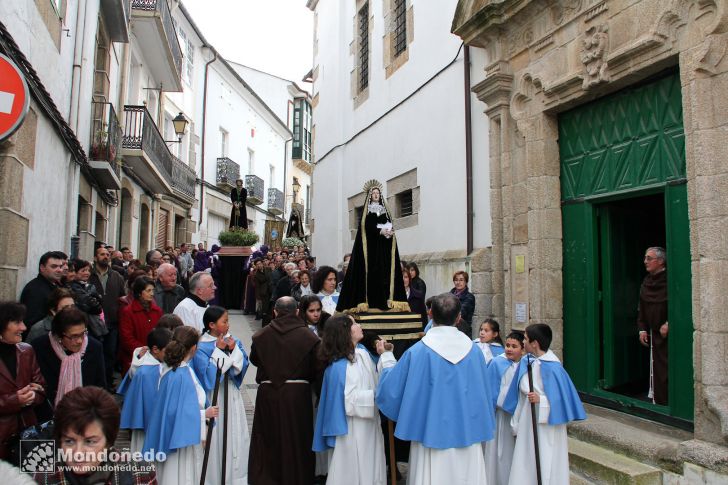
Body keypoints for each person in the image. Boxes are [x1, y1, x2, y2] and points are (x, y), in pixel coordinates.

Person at [375, 293, 496, 484]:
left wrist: (386, 357)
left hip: (429, 434)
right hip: (467, 432)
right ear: (458, 318)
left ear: (430, 314)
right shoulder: (474, 352)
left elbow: (392, 389)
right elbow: (483, 395)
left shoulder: (418, 351)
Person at [313, 314, 395, 484]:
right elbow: (349, 401)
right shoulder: (340, 367)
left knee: (370, 468)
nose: (359, 325)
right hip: (352, 429)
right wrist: (377, 397)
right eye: (354, 323)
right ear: (345, 332)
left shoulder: (362, 352)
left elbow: (377, 378)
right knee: (354, 471)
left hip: (370, 424)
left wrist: (384, 355)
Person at [249, 297, 322, 485]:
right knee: (297, 438)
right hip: (297, 395)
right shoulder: (309, 337)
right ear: (297, 311)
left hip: (269, 392)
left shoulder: (261, 335)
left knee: (268, 438)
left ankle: (266, 478)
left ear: (275, 312)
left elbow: (255, 359)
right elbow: (317, 366)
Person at [506, 323, 586, 485]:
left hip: (546, 425)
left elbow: (562, 401)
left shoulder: (554, 367)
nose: (524, 343)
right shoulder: (527, 362)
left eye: (526, 339)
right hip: (528, 419)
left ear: (535, 343)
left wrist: (541, 400)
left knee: (545, 457)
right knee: (526, 458)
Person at [34, 386, 157, 484]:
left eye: (90, 442)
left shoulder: (138, 473)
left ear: (109, 441)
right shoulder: (45, 478)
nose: (78, 453)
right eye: (69, 441)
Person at [144, 326, 219, 485]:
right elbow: (178, 412)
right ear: (194, 348)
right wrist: (204, 414)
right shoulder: (183, 374)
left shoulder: (169, 369)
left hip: (171, 433)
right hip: (181, 441)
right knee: (181, 475)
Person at [192, 306, 250, 485]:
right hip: (214, 396)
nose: (228, 324)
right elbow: (206, 375)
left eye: (228, 321)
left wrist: (232, 351)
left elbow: (242, 364)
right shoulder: (201, 346)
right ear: (211, 325)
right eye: (224, 321)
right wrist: (219, 352)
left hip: (231, 393)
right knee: (216, 438)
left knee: (234, 434)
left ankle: (235, 478)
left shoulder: (233, 340)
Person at [336, 181, 409, 313]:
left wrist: (389, 232)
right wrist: (379, 231)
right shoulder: (367, 211)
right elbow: (366, 227)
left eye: (378, 193)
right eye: (374, 193)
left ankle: (384, 301)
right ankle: (369, 302)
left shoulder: (383, 211)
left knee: (383, 275)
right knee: (370, 275)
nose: (376, 195)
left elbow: (388, 224)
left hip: (382, 250)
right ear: (370, 196)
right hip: (370, 251)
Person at [31, 307, 106, 407]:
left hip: (86, 411)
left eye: (83, 334)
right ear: (59, 335)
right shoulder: (39, 347)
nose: (80, 341)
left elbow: (100, 385)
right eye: (74, 336)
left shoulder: (94, 347)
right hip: (49, 411)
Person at [0, 302, 46, 461]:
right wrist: (15, 400)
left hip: (27, 436)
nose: (24, 327)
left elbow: (41, 386)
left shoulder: (27, 350)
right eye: (17, 322)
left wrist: (34, 394)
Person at [118, 326, 172, 454]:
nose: (171, 354)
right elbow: (148, 404)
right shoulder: (146, 372)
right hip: (149, 426)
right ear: (155, 350)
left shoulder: (155, 364)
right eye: (168, 350)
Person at [484, 331, 525, 485]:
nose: (509, 349)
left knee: (512, 452)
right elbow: (489, 388)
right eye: (507, 345)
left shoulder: (525, 365)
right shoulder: (496, 363)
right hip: (498, 414)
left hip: (516, 415)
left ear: (522, 349)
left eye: (514, 346)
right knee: (495, 451)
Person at [88, 246, 126, 388]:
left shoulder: (116, 276)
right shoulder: (89, 275)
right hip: (94, 323)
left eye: (107, 254)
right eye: (102, 254)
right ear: (95, 257)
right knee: (95, 354)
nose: (106, 256)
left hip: (112, 322)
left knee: (110, 354)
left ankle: (108, 382)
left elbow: (122, 298)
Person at [637, 246, 669, 405]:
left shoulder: (670, 280)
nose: (645, 262)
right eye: (645, 258)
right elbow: (642, 307)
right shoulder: (647, 281)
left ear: (661, 261)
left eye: (649, 258)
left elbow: (679, 303)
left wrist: (670, 323)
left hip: (667, 334)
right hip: (652, 332)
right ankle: (657, 400)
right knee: (655, 370)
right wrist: (642, 328)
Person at [119, 276, 163, 374]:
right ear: (139, 293)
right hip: (136, 358)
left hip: (155, 358)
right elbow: (127, 338)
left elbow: (161, 333)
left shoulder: (157, 311)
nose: (152, 293)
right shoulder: (128, 312)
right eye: (148, 290)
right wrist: (145, 350)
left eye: (153, 290)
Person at [20, 251, 66, 328]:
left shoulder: (57, 285)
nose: (60, 270)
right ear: (42, 268)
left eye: (60, 266)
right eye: (54, 266)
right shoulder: (35, 290)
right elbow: (33, 323)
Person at [450, 270, 476, 337]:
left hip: (463, 330)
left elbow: (462, 312)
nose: (458, 282)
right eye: (456, 280)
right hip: (450, 328)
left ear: (466, 282)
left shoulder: (469, 297)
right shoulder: (449, 295)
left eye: (461, 280)